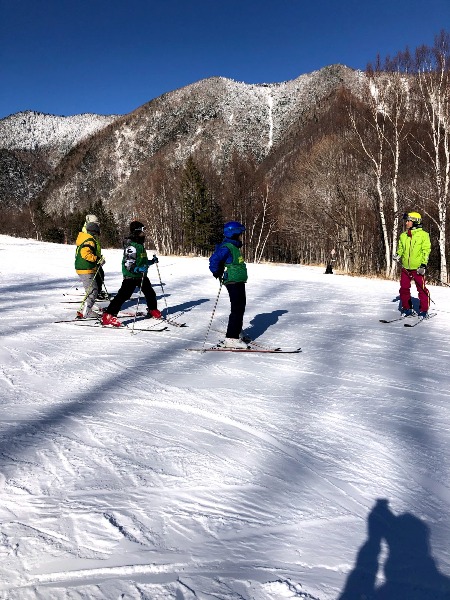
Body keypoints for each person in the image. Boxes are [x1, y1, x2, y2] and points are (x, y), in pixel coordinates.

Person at [102, 221, 161, 327]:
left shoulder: (139, 246)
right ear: (137, 231)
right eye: (142, 230)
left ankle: (152, 309)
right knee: (123, 295)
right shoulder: (131, 247)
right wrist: (137, 269)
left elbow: (142, 261)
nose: (144, 233)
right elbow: (128, 264)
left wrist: (151, 261)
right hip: (131, 276)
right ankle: (108, 315)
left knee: (150, 293)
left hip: (141, 276)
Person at [209, 220, 249, 349]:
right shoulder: (227, 247)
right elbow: (214, 259)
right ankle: (231, 338)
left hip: (238, 280)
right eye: (239, 233)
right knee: (237, 308)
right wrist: (217, 271)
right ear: (233, 233)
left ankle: (236, 331)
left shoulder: (234, 246)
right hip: (232, 280)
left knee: (240, 307)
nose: (240, 236)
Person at [394, 211, 431, 317]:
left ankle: (424, 310)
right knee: (404, 288)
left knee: (421, 289)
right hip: (405, 268)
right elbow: (401, 249)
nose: (406, 223)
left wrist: (423, 265)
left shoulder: (423, 235)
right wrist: (398, 255)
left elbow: (426, 250)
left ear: (415, 222)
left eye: (408, 221)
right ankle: (407, 309)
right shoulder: (403, 236)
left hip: (418, 268)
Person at [74, 221, 105, 318]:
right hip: (86, 268)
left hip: (84, 268)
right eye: (97, 233)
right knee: (93, 290)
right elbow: (85, 254)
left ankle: (89, 306)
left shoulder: (85, 239)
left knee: (91, 289)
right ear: (94, 232)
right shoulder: (89, 240)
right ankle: (87, 311)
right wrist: (97, 259)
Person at [82, 214, 109, 300]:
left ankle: (97, 291)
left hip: (95, 256)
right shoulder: (87, 232)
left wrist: (99, 256)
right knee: (97, 275)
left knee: (100, 273)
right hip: (91, 258)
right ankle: (95, 293)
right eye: (96, 223)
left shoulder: (92, 230)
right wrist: (96, 258)